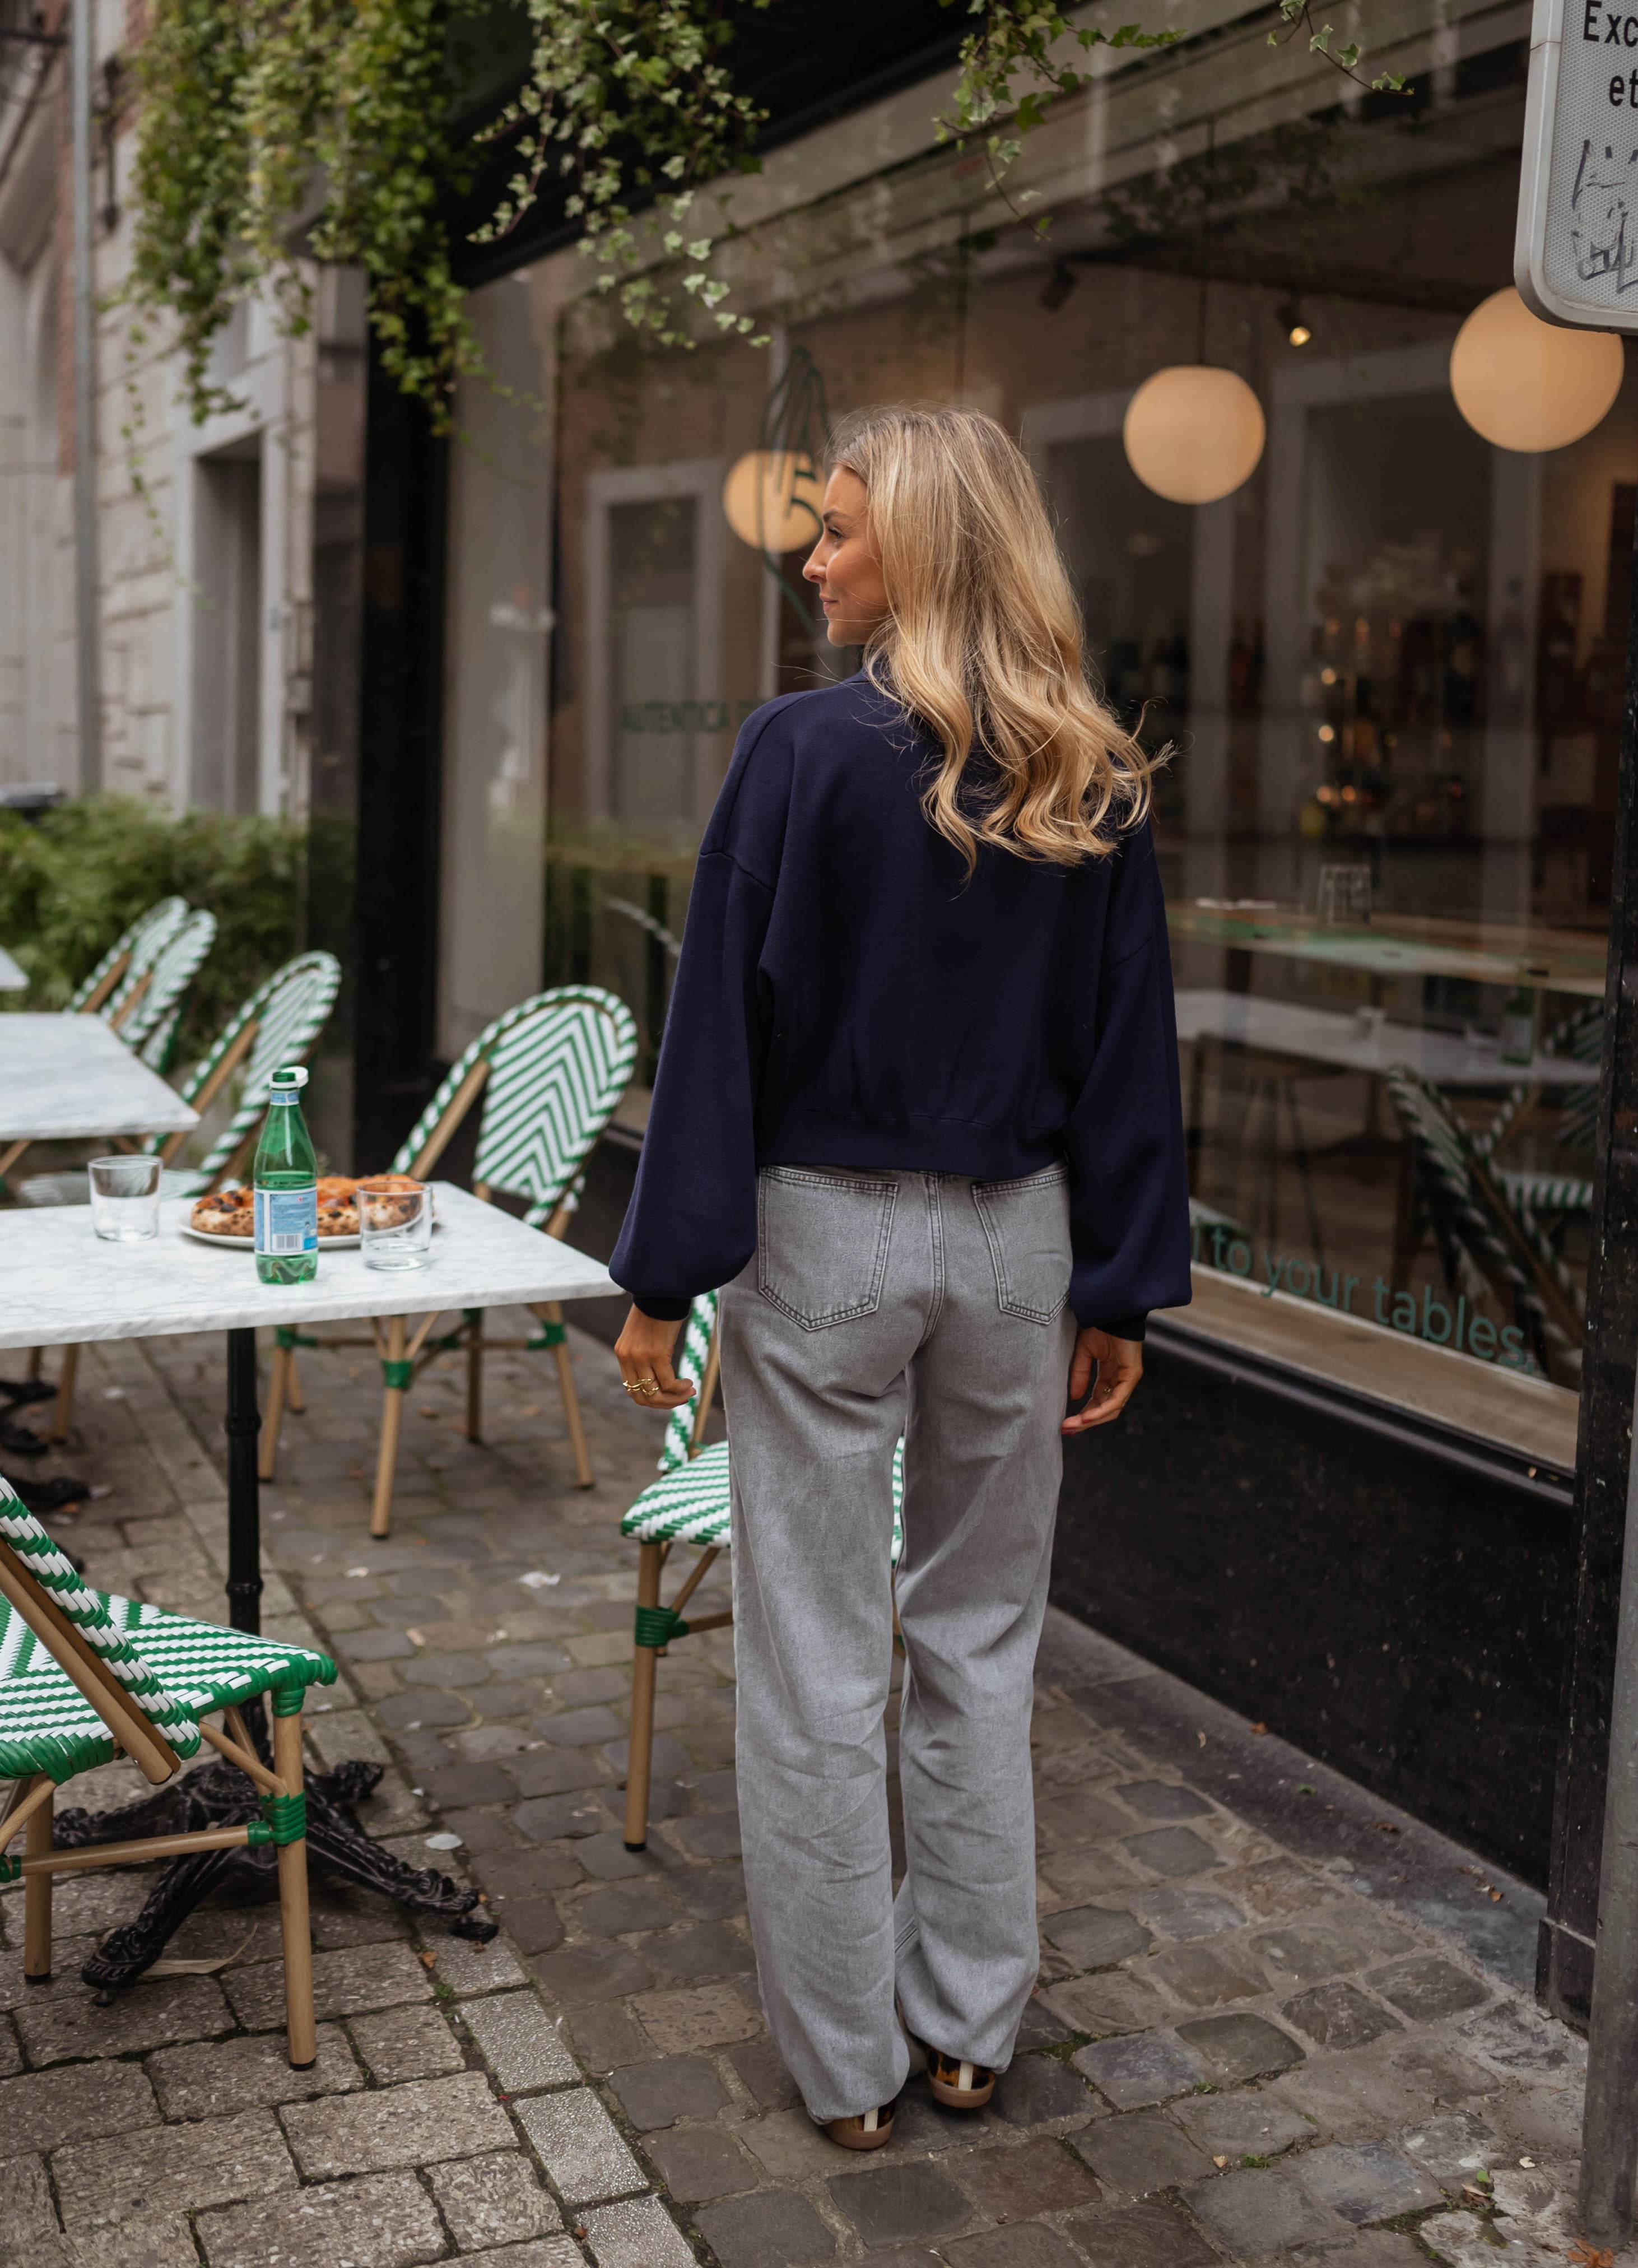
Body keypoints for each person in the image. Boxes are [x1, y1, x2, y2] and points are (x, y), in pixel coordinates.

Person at [609, 404, 1191, 2151]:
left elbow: (720, 1025)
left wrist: (663, 1274)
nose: (813, 556)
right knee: (980, 1637)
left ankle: (849, 2072)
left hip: (828, 1240)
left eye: (842, 529)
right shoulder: (1089, 768)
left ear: (925, 549)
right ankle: (965, 2030)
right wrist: (1120, 1285)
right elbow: (1126, 1054)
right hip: (1016, 1245)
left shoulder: (794, 753)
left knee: (813, 1655)